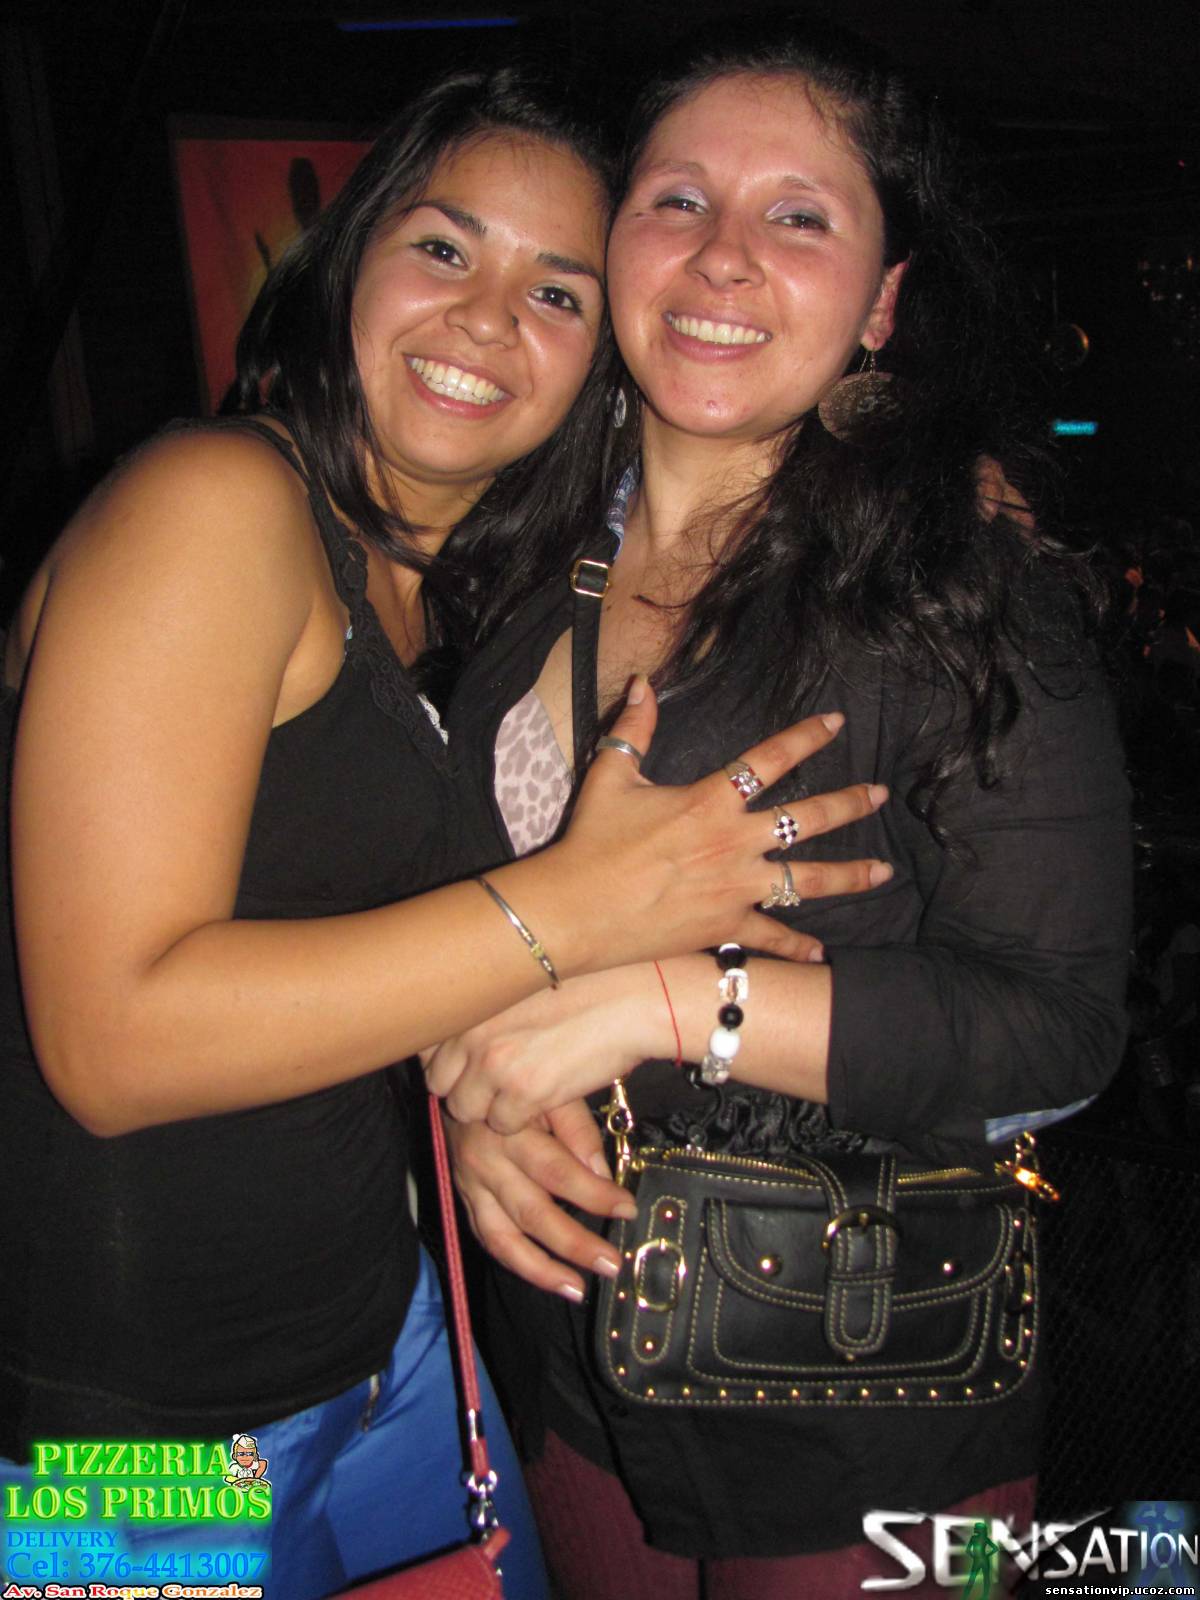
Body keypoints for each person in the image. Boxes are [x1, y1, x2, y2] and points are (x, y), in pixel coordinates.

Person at [0, 65, 886, 1600]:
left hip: (389, 1353)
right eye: (443, 249)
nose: (486, 320)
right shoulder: (211, 504)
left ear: (600, 358)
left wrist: (469, 1069)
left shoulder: (445, 594)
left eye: (556, 292)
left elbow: (331, 944)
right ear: (348, 264)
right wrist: (577, 908)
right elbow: (111, 1041)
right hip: (126, 1436)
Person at [429, 22, 1132, 1600]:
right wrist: (472, 1078)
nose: (723, 255)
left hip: (878, 1398)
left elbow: (1059, 1033)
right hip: (577, 1364)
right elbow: (449, 910)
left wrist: (665, 1004)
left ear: (881, 303)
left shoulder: (960, 593)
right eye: (677, 199)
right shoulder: (521, 561)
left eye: (798, 215)